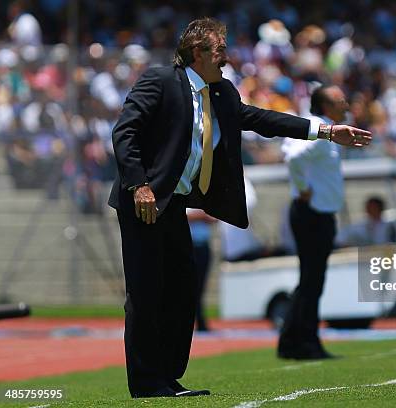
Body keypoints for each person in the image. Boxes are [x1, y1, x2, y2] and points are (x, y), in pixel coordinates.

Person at [107, 18, 371, 398]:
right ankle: (148, 383)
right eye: (220, 51)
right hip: (144, 202)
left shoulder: (221, 94)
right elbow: (125, 132)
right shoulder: (160, 80)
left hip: (174, 205)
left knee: (183, 293)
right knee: (147, 293)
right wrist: (138, 185)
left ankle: (166, 376)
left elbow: (262, 119)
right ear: (197, 52)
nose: (227, 58)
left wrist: (327, 130)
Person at [278, 84, 361, 360]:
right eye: (340, 100)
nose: (346, 104)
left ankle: (292, 342)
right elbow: (293, 159)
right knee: (312, 282)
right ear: (326, 106)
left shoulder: (313, 126)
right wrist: (302, 188)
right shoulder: (320, 131)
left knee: (310, 281)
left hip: (315, 214)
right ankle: (306, 343)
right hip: (312, 213)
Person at [186, 208, 216, 332]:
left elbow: (214, 217)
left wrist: (200, 216)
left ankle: (199, 320)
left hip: (202, 245)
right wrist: (202, 216)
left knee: (199, 287)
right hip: (188, 245)